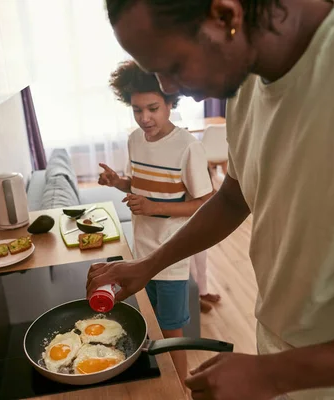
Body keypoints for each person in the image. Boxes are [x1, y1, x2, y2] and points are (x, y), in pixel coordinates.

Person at [87, 0, 334, 399]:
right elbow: (233, 197)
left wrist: (274, 374)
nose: (168, 88)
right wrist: (149, 265)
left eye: (172, 65)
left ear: (225, 16)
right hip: (283, 356)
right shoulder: (247, 78)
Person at [99, 60, 214, 385]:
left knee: (171, 327)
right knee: (148, 320)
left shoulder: (188, 147)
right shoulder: (135, 139)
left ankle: (183, 387)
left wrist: (154, 207)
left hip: (171, 257)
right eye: (137, 110)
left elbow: (206, 202)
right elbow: (138, 184)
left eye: (152, 108)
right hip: (141, 253)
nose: (145, 118)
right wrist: (117, 182)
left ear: (170, 104)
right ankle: (160, 380)